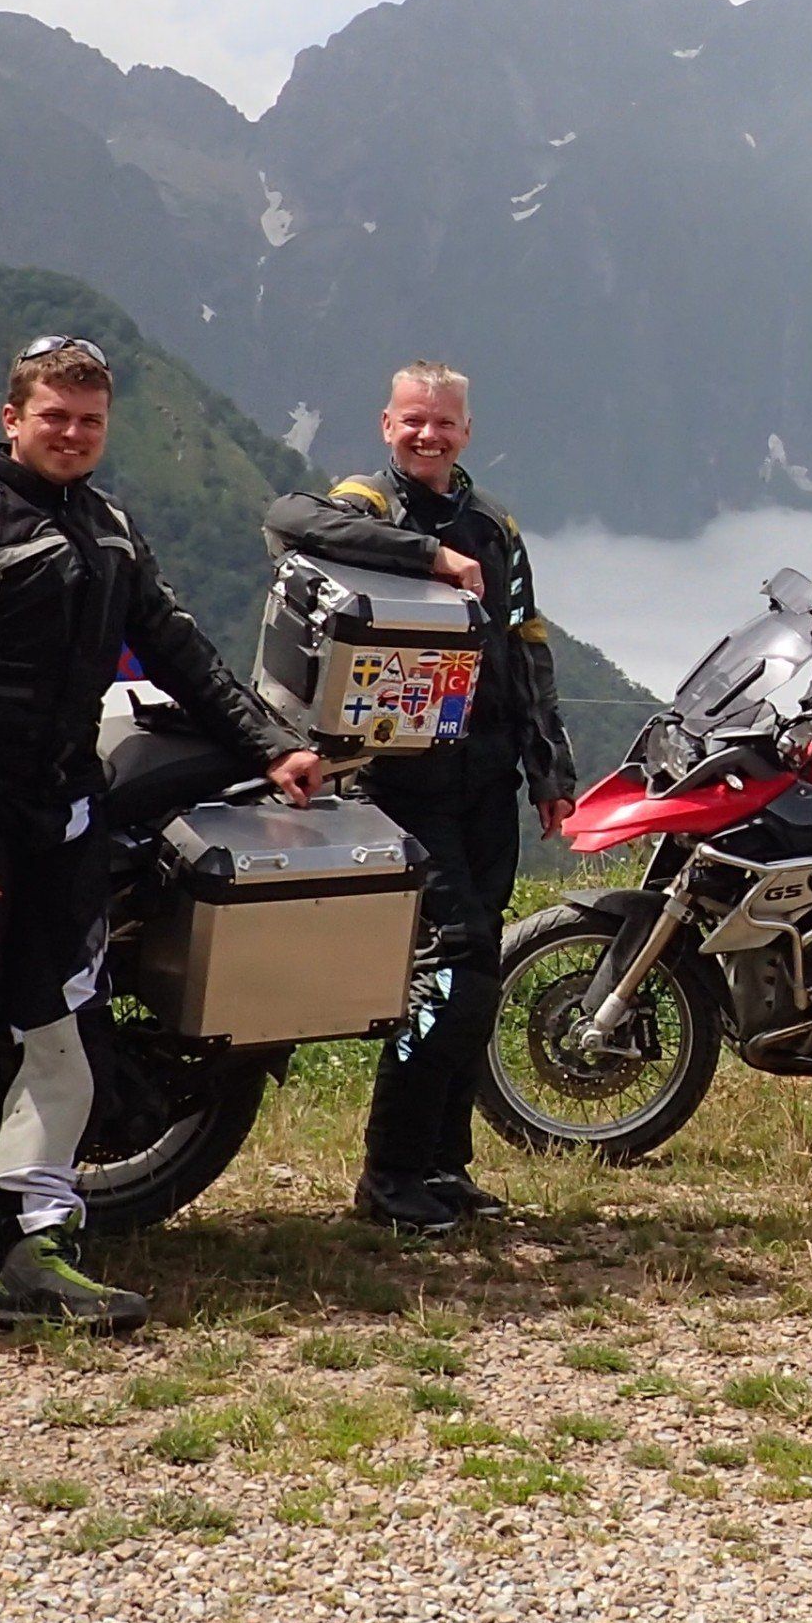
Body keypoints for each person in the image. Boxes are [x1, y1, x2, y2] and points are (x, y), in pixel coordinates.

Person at [0, 337, 322, 1328]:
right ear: (11, 417)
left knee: (60, 1024)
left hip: (63, 811)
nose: (71, 436)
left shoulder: (107, 527)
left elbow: (174, 644)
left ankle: (39, 1241)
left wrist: (269, 743)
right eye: (53, 417)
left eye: (89, 422)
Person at [263, 362, 580, 1232]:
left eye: (443, 423)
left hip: (488, 780)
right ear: (387, 424)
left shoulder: (494, 525)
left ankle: (444, 1165)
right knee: (458, 962)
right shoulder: (364, 502)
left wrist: (550, 771)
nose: (428, 436)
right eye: (413, 422)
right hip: (401, 779)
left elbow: (525, 646)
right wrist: (428, 557)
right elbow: (288, 520)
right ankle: (390, 1170)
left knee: (475, 975)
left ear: (467, 432)